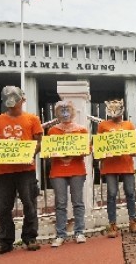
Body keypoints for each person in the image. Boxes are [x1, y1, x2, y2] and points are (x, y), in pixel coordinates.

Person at [0, 86, 43, 258]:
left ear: (22, 101)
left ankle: (30, 237)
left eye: (15, 103)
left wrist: (28, 153)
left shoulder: (33, 119)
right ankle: (5, 241)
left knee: (29, 205)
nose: (11, 107)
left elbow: (39, 142)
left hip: (26, 169)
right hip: (3, 171)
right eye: (9, 104)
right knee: (3, 208)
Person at [98, 99, 136, 237]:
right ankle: (112, 225)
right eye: (111, 110)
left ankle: (133, 221)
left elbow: (135, 143)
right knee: (111, 195)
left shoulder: (129, 125)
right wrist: (101, 153)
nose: (114, 112)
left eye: (116, 109)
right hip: (110, 166)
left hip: (126, 164)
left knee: (130, 193)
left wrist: (135, 149)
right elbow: (99, 146)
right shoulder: (102, 125)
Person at [48, 101, 88, 247]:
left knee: (78, 202)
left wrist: (82, 149)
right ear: (57, 112)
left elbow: (87, 150)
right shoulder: (52, 131)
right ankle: (60, 234)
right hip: (58, 171)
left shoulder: (81, 130)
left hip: (77, 170)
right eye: (61, 110)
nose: (65, 113)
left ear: (72, 111)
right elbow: (49, 152)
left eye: (67, 110)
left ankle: (79, 232)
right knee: (60, 203)